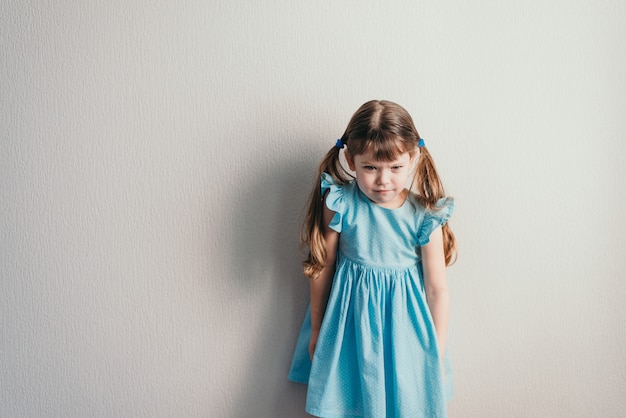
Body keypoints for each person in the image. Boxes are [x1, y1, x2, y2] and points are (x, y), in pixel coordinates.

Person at [289, 100, 457, 417]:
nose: (383, 180)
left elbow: (437, 289)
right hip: (350, 326)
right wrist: (315, 329)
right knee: (350, 403)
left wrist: (437, 347)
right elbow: (323, 267)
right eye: (371, 168)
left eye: (395, 168)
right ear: (351, 160)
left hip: (405, 331)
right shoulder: (340, 203)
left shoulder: (425, 215)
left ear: (413, 159)